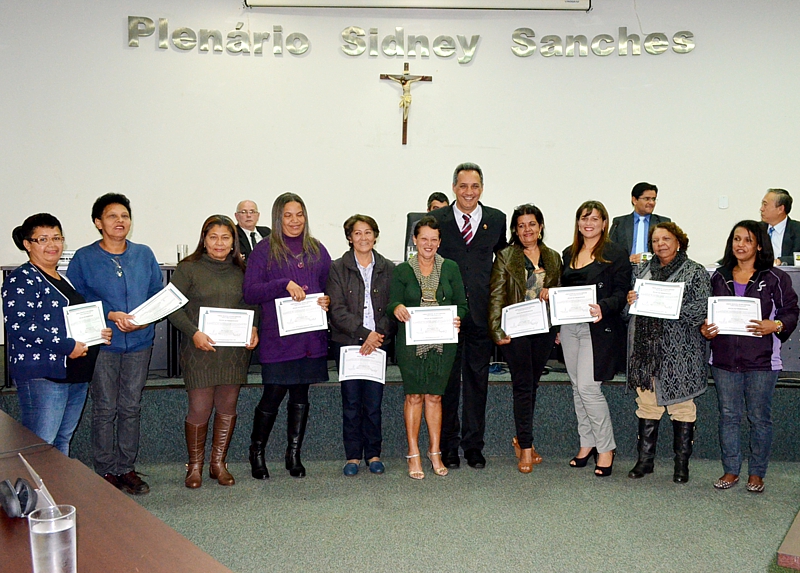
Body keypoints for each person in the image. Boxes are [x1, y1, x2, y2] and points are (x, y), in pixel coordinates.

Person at [67, 194, 163, 495]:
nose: (120, 221)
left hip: (139, 342)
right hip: (103, 344)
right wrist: (109, 314)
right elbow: (76, 299)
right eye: (112, 216)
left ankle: (127, 468)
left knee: (131, 407)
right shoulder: (84, 258)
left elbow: (156, 295)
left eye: (124, 215)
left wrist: (146, 319)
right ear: (98, 222)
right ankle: (106, 470)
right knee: (105, 408)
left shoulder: (144, 254)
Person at [702, 220, 798, 493]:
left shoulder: (776, 277)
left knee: (759, 417)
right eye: (736, 239)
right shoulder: (718, 276)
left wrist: (775, 325)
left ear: (758, 245)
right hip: (723, 360)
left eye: (746, 240)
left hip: (763, 360)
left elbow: (791, 310)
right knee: (728, 416)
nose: (740, 245)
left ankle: (757, 473)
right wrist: (705, 328)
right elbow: (706, 313)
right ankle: (731, 470)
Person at [2, 214, 111, 456]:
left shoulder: (63, 278)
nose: (52, 245)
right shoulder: (23, 278)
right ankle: (29, 493)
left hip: (74, 372)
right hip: (44, 375)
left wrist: (96, 332)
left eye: (57, 238)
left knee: (61, 440)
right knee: (40, 444)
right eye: (43, 239)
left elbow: (68, 320)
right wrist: (66, 345)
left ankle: (53, 493)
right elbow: (19, 325)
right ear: (28, 245)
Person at [243, 193, 331, 479]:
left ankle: (293, 455)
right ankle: (257, 453)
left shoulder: (317, 249)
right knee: (272, 394)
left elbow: (330, 285)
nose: (295, 221)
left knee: (301, 395)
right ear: (277, 218)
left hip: (309, 338)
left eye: (299, 214)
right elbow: (250, 291)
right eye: (288, 215)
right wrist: (283, 284)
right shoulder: (264, 250)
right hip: (278, 339)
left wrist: (327, 300)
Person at [167, 215, 259, 488]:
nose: (219, 243)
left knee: (228, 407)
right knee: (199, 409)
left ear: (234, 242)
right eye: (213, 237)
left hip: (233, 353)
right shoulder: (189, 268)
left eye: (225, 237)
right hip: (200, 350)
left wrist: (254, 327)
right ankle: (194, 466)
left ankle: (218, 463)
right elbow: (173, 307)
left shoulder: (243, 270)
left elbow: (254, 304)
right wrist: (193, 333)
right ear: (204, 240)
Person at [430, 162, 507, 469]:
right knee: (447, 384)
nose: (469, 192)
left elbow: (503, 264)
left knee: (477, 384)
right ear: (454, 188)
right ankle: (448, 446)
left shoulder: (496, 219)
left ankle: (473, 446)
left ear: (482, 189)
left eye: (474, 186)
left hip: (480, 313)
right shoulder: (438, 219)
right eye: (463, 186)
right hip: (447, 315)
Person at [624, 222, 711, 483]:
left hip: (680, 353)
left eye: (666, 238)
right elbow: (630, 312)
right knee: (647, 405)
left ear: (678, 241)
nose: (660, 244)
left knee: (682, 407)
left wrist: (670, 308)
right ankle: (645, 461)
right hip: (645, 353)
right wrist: (631, 301)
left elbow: (700, 310)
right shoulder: (643, 270)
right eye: (655, 240)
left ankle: (681, 465)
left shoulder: (695, 272)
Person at [388, 216, 468, 479]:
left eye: (434, 239)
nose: (429, 244)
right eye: (424, 239)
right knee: (414, 397)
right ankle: (413, 453)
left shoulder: (451, 268)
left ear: (440, 242)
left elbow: (463, 304)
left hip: (443, 344)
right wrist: (397, 308)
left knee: (435, 396)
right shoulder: (402, 271)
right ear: (414, 240)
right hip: (411, 344)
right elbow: (392, 304)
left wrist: (458, 317)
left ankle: (435, 452)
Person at [487, 204, 561, 473]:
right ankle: (526, 448)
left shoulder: (553, 257)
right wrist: (496, 330)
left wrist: (552, 294)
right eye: (521, 225)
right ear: (515, 231)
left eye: (531, 224)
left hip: (544, 330)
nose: (526, 229)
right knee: (522, 386)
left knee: (533, 385)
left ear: (540, 227)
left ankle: (522, 440)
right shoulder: (505, 256)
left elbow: (560, 292)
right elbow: (496, 295)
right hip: (516, 331)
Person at [561, 201, 631, 477]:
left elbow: (622, 291)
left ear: (604, 223)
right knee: (578, 388)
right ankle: (587, 442)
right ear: (578, 222)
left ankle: (606, 447)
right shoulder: (569, 253)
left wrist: (604, 306)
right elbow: (561, 291)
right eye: (583, 218)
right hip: (569, 327)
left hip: (598, 328)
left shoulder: (615, 253)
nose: (588, 223)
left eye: (595, 218)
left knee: (590, 388)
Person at [328, 215, 396, 476]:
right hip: (348, 343)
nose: (363, 238)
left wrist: (378, 334)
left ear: (375, 236)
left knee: (374, 402)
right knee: (352, 401)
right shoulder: (337, 268)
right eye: (357, 233)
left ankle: (374, 453)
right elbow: (337, 309)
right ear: (349, 237)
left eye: (368, 232)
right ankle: (353, 455)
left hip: (379, 343)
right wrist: (363, 334)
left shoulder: (388, 267)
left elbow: (393, 307)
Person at [608, 182, 672, 264]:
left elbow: (670, 251)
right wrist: (626, 260)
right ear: (634, 200)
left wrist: (649, 258)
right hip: (625, 270)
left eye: (653, 199)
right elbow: (610, 251)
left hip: (654, 271)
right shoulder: (619, 223)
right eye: (647, 199)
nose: (652, 202)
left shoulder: (663, 223)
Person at [759, 188, 800, 266]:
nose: (761, 209)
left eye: (765, 204)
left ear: (780, 209)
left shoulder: (797, 230)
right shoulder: (755, 230)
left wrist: (781, 261)